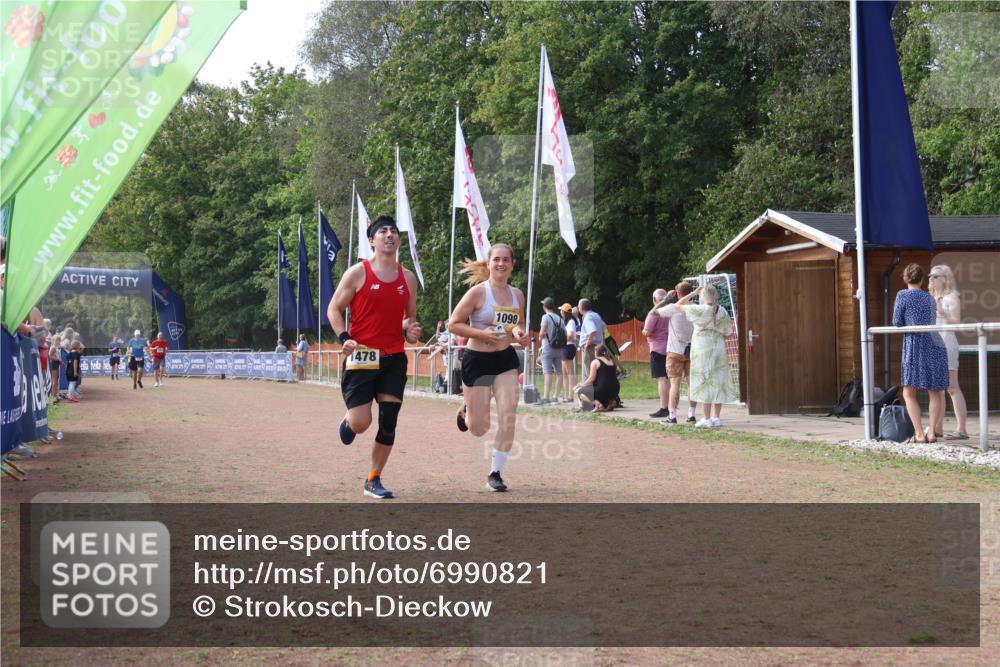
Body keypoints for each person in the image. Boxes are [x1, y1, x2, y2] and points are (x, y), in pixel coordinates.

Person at [328, 215, 422, 500]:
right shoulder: (357, 273)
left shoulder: (408, 278)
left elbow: (409, 318)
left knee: (389, 419)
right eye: (383, 231)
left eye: (394, 231)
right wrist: (345, 338)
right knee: (361, 423)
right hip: (362, 356)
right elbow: (334, 309)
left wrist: (411, 331)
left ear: (399, 240)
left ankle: (373, 479)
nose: (389, 235)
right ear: (372, 240)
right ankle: (348, 422)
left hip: (394, 356)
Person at [448, 243, 529, 493]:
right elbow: (453, 324)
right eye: (496, 260)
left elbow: (519, 324)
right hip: (478, 361)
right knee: (478, 428)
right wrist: (479, 332)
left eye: (506, 260)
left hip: (505, 360)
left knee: (508, 414)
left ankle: (495, 473)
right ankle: (467, 412)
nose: (501, 264)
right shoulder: (478, 293)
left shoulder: (517, 295)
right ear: (489, 263)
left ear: (512, 265)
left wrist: (519, 334)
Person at [892, 263, 948, 443]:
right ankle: (932, 432)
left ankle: (918, 434)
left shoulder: (902, 295)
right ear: (923, 279)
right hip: (935, 344)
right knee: (935, 391)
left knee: (909, 392)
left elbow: (897, 322)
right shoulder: (930, 298)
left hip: (915, 345)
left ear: (905, 278)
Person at [674, 284, 736, 427]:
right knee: (718, 381)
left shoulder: (699, 309)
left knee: (704, 381)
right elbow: (729, 332)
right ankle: (716, 417)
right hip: (718, 349)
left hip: (702, 349)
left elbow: (678, 305)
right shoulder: (722, 311)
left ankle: (706, 418)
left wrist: (692, 294)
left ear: (703, 296)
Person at [647, 282, 697, 424]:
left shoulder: (674, 308)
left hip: (675, 350)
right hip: (692, 349)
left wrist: (666, 299)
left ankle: (672, 416)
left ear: (677, 293)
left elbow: (652, 312)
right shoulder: (697, 308)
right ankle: (691, 414)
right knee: (691, 383)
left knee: (674, 383)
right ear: (691, 292)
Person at [928, 264, 968, 440]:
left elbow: (956, 321)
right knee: (938, 388)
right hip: (933, 344)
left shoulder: (951, 297)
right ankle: (937, 428)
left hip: (947, 343)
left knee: (951, 387)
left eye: (936, 276)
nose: (931, 279)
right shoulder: (929, 297)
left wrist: (942, 312)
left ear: (945, 278)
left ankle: (961, 429)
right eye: (930, 276)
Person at [642, 288, 672, 417]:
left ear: (654, 300)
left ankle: (664, 408)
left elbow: (647, 331)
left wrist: (644, 331)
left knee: (661, 379)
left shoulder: (654, 313)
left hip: (657, 348)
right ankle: (672, 406)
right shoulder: (671, 311)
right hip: (671, 347)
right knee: (670, 379)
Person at [574, 344, 620, 412]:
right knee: (597, 393)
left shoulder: (595, 362)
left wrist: (581, 384)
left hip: (602, 389)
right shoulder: (612, 361)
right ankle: (608, 403)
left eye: (595, 350)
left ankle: (596, 404)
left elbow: (591, 379)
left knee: (580, 392)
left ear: (597, 352)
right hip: (615, 389)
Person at [537, 296, 564, 405]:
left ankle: (546, 397)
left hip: (548, 347)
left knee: (547, 372)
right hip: (558, 348)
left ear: (545, 307)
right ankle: (556, 396)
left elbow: (542, 332)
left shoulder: (545, 317)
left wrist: (540, 337)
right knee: (559, 373)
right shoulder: (559, 318)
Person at [577, 298, 607, 374]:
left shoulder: (587, 318)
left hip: (590, 348)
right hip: (598, 346)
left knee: (591, 372)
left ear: (582, 308)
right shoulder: (596, 315)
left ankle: (592, 386)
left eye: (578, 307)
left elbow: (592, 331)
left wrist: (587, 344)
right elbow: (604, 327)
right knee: (597, 370)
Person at [559, 303, 579, 402]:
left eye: (561, 310)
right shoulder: (566, 322)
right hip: (565, 347)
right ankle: (567, 394)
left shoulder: (570, 322)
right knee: (565, 373)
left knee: (569, 372)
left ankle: (572, 395)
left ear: (564, 312)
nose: (560, 312)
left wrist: (560, 340)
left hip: (568, 347)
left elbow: (570, 335)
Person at [48, 335, 62, 402]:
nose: (58, 341)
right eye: (57, 340)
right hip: (53, 364)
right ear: (53, 341)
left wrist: (59, 361)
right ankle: (53, 397)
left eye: (59, 340)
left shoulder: (56, 348)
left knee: (56, 381)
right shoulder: (53, 347)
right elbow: (49, 356)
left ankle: (55, 395)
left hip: (56, 364)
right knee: (54, 381)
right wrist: (58, 359)